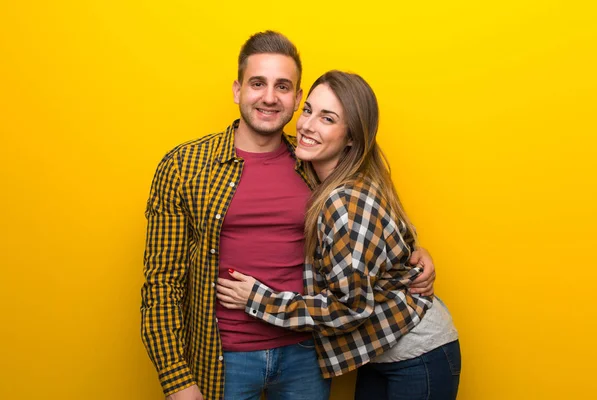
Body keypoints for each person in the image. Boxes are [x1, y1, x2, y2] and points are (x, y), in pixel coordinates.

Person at [141, 31, 436, 400]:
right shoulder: (185, 167)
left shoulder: (314, 162)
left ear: (297, 99)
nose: (269, 97)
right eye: (257, 83)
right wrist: (176, 379)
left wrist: (414, 255)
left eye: (282, 86)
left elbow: (368, 218)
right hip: (224, 359)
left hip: (307, 355)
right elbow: (161, 283)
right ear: (237, 90)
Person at [217, 70, 461, 400]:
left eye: (327, 119)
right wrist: (417, 252)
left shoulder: (343, 200)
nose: (306, 126)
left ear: (350, 137)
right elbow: (388, 239)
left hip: (418, 354)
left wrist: (257, 300)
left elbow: (351, 309)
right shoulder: (315, 175)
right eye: (308, 111)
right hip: (381, 352)